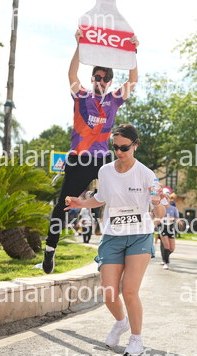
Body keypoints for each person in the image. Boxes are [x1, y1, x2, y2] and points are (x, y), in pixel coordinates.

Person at [41, 29, 139, 274]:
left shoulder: (114, 99)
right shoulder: (81, 95)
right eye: (97, 77)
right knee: (63, 205)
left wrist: (133, 52)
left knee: (118, 197)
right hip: (79, 159)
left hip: (102, 159)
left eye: (105, 79)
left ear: (110, 82)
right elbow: (71, 74)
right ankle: (50, 249)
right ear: (92, 77)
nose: (101, 82)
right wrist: (79, 45)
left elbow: (133, 81)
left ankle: (113, 249)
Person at [65, 124, 167, 356]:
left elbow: (159, 213)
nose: (119, 152)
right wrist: (81, 203)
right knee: (109, 293)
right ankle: (121, 322)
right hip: (112, 235)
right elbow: (101, 198)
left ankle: (137, 339)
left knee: (129, 291)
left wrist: (156, 201)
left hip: (139, 236)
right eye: (115, 147)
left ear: (135, 145)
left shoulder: (146, 174)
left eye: (124, 148)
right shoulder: (105, 171)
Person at [159, 195, 179, 269]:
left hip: (170, 228)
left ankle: (165, 256)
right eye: (164, 198)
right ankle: (166, 263)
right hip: (163, 227)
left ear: (170, 199)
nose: (165, 200)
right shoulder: (161, 208)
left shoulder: (174, 209)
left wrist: (174, 219)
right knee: (166, 246)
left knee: (172, 248)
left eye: (167, 198)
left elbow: (177, 218)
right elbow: (157, 217)